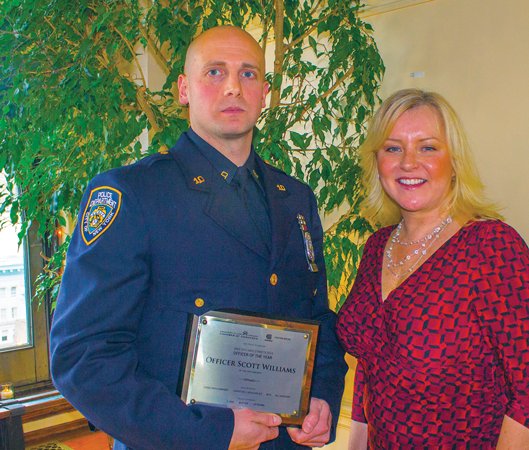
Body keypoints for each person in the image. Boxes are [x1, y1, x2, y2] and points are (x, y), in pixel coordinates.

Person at [50, 25, 347, 450]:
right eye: (214, 72)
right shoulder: (133, 194)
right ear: (184, 90)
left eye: (247, 74)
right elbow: (83, 358)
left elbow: (317, 318)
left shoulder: (295, 198)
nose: (232, 86)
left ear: (265, 92)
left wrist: (322, 398)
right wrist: (210, 432)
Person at [335, 89, 529, 449]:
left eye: (428, 147)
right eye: (393, 148)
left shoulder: (492, 248)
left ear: (454, 160)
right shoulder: (376, 247)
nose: (409, 162)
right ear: (377, 162)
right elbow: (370, 369)